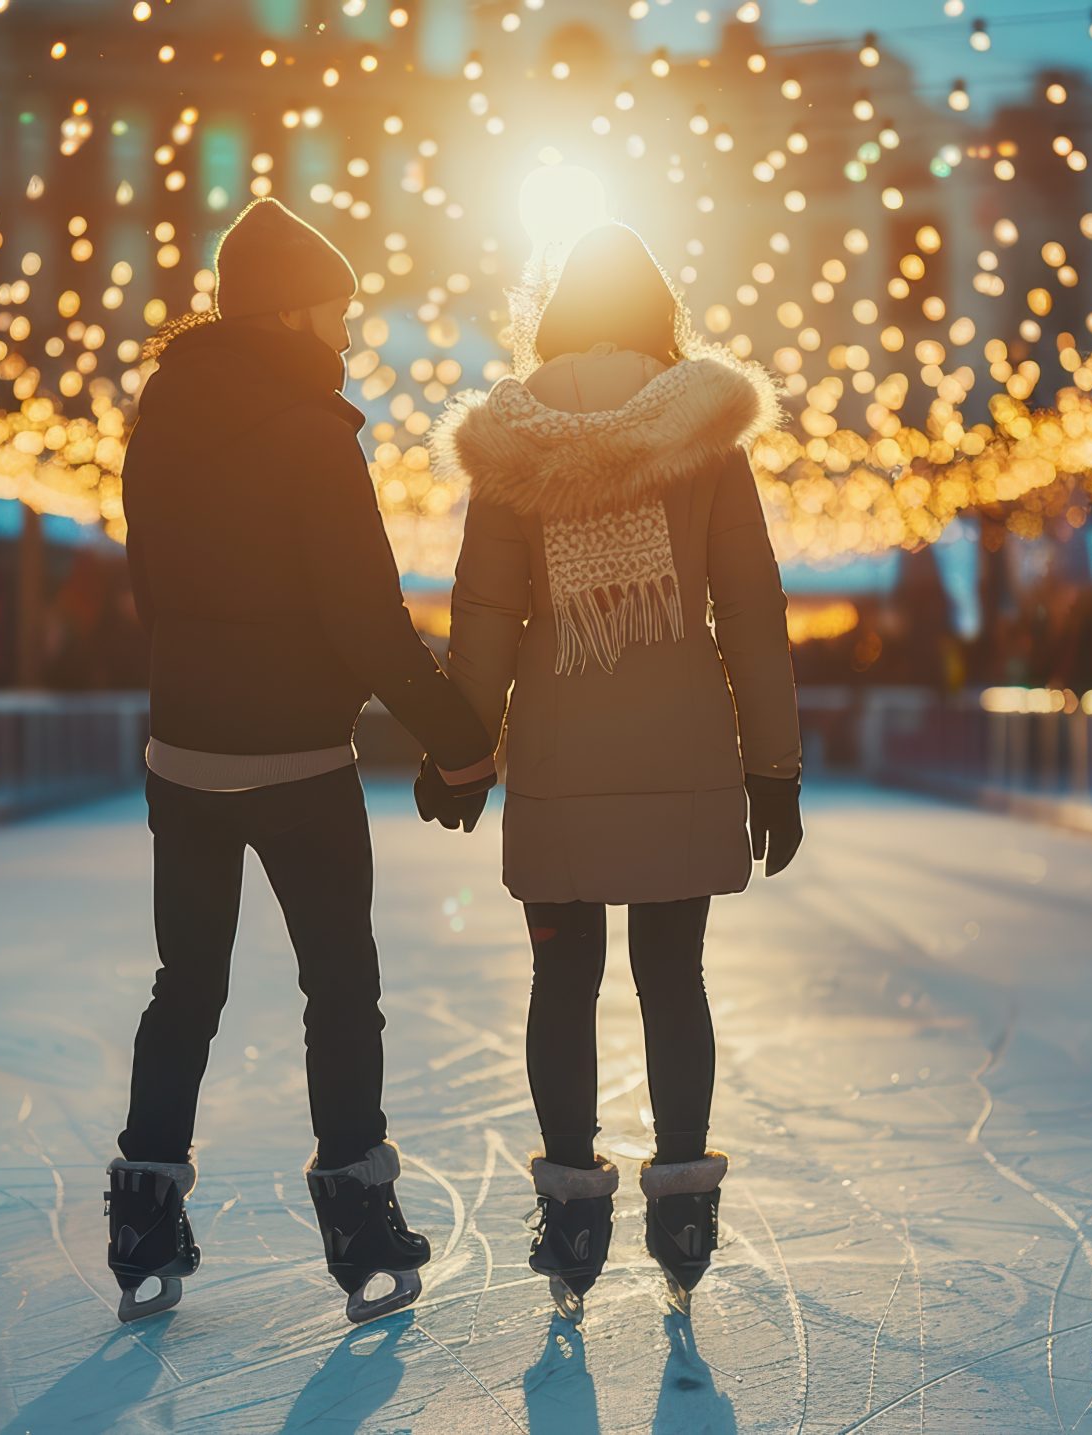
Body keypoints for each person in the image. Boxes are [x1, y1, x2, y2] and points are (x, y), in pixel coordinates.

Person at [106, 198, 500, 1325]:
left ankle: (142, 1216)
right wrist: (460, 739)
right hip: (295, 760)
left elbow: (151, 590)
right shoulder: (311, 431)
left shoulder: (162, 422)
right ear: (293, 306)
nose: (347, 324)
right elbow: (366, 618)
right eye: (337, 303)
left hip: (184, 754)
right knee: (340, 987)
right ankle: (361, 1223)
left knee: (185, 989)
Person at [433, 223, 803, 1319]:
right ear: (657, 310)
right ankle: (682, 1204)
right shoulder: (703, 433)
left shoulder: (513, 443)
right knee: (670, 976)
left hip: (557, 757)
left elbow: (486, 614)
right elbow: (748, 603)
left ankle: (572, 1208)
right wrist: (771, 767)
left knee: (562, 976)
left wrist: (462, 754)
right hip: (684, 753)